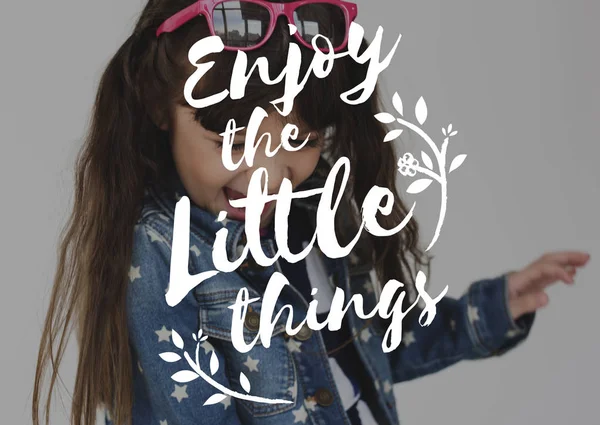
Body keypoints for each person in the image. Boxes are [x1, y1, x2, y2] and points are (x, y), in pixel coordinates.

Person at [32, 0, 590, 424]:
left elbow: (371, 347)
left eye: (297, 136)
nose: (268, 174)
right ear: (159, 104)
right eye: (233, 133)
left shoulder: (318, 211)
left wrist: (493, 307)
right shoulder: (160, 252)